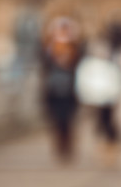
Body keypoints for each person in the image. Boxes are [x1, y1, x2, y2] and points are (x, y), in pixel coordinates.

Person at [40, 14, 85, 163]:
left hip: (70, 91)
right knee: (57, 120)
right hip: (54, 90)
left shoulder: (75, 49)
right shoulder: (49, 49)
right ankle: (60, 148)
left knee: (69, 120)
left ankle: (67, 148)